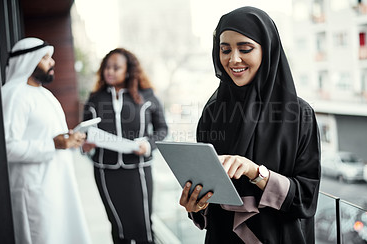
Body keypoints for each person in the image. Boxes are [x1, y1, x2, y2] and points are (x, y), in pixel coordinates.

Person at [179, 6, 321, 244]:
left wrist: (255, 172)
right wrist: (197, 204)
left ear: (267, 50)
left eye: (245, 49)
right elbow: (208, 195)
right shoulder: (214, 111)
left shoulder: (299, 114)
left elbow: (306, 198)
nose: (233, 59)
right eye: (225, 50)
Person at [2, 37, 91, 244]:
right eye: (44, 58)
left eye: (51, 58)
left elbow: (50, 135)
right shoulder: (13, 95)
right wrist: (54, 144)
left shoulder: (43, 94)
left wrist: (69, 139)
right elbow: (6, 146)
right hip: (34, 192)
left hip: (56, 186)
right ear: (27, 61)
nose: (52, 63)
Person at [82, 48, 168, 244]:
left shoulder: (147, 95)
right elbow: (85, 130)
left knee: (143, 227)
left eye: (116, 68)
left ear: (128, 71)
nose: (109, 72)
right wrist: (85, 144)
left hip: (138, 169)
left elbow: (162, 129)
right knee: (117, 227)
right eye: (107, 67)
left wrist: (148, 145)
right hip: (105, 171)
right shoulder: (95, 99)